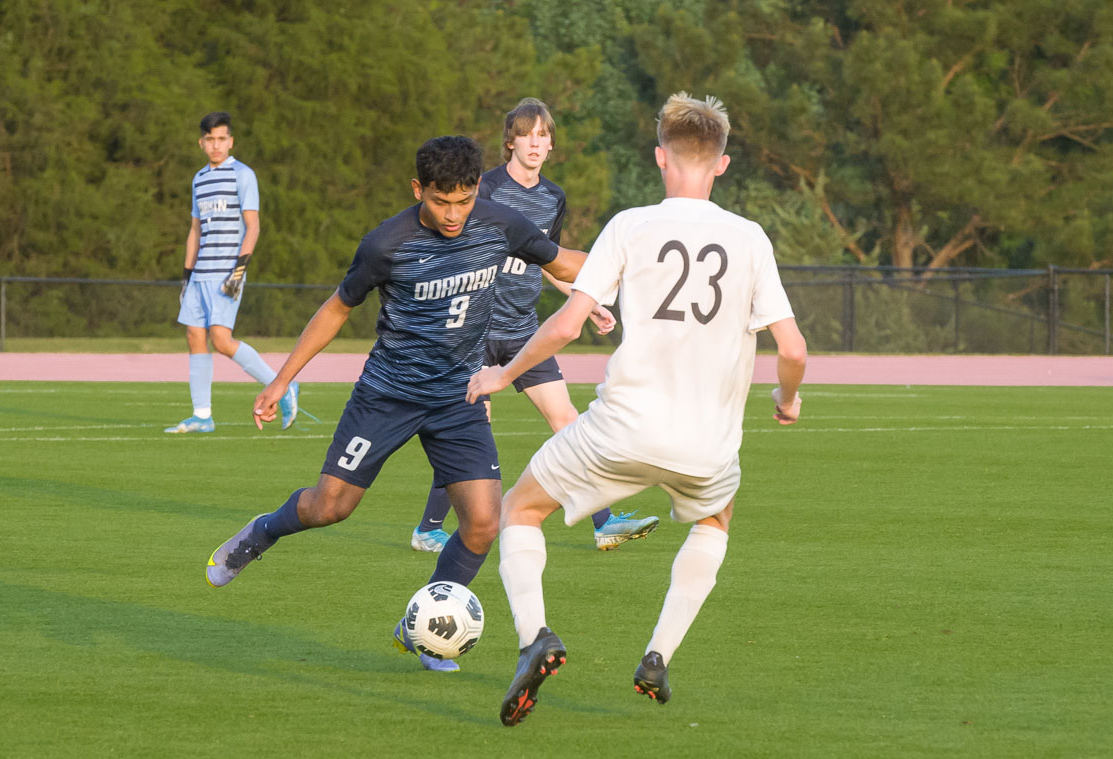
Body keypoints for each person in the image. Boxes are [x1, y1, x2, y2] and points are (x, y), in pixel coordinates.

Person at [466, 92, 808, 726]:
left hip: (619, 431)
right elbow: (792, 347)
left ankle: (535, 636)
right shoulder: (751, 238)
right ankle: (657, 654)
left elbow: (569, 325)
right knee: (715, 519)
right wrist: (786, 401)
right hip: (706, 445)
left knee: (520, 509)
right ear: (723, 165)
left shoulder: (630, 224)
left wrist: (502, 373)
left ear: (660, 158)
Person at [204, 135, 588, 674]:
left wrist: (632, 262)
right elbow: (337, 310)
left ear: (478, 187)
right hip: (387, 395)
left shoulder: (501, 224)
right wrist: (280, 380)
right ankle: (262, 531)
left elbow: (566, 265)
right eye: (440, 201)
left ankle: (424, 627)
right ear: (418, 189)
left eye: (463, 200)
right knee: (329, 507)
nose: (453, 214)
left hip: (459, 396)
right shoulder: (387, 243)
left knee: (483, 523)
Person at [409, 98, 659, 555]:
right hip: (476, 331)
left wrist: (587, 304)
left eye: (544, 135)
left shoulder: (553, 197)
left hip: (525, 330)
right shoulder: (483, 189)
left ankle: (604, 524)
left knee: (568, 422)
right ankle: (429, 529)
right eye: (528, 133)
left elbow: (548, 261)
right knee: (473, 429)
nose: (536, 142)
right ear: (511, 141)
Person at [167, 110, 298, 434]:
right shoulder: (199, 178)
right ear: (201, 143)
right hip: (200, 274)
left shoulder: (243, 174)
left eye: (222, 139)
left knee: (221, 340)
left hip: (228, 271)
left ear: (231, 141)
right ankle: (202, 416)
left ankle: (283, 386)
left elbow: (253, 225)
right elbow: (195, 230)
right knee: (195, 336)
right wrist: (186, 276)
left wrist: (239, 269)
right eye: (210, 139)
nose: (216, 145)